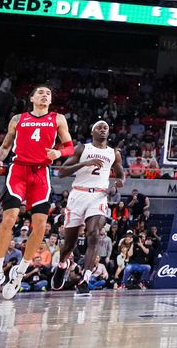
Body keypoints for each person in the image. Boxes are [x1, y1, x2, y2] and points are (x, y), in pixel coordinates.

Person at [0, 84, 74, 299]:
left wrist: (58, 152)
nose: (45, 95)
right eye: (40, 92)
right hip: (18, 170)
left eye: (48, 93)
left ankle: (20, 271)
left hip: (41, 173)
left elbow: (69, 147)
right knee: (9, 218)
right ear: (31, 98)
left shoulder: (58, 119)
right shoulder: (17, 119)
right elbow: (5, 147)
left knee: (40, 225)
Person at [52, 119, 123, 296]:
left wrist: (116, 186)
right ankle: (62, 264)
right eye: (98, 127)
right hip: (78, 195)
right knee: (69, 244)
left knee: (94, 234)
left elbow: (121, 177)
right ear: (92, 132)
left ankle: (85, 278)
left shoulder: (114, 153)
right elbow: (61, 172)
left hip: (98, 196)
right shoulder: (82, 149)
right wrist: (84, 164)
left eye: (105, 127)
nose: (102, 129)